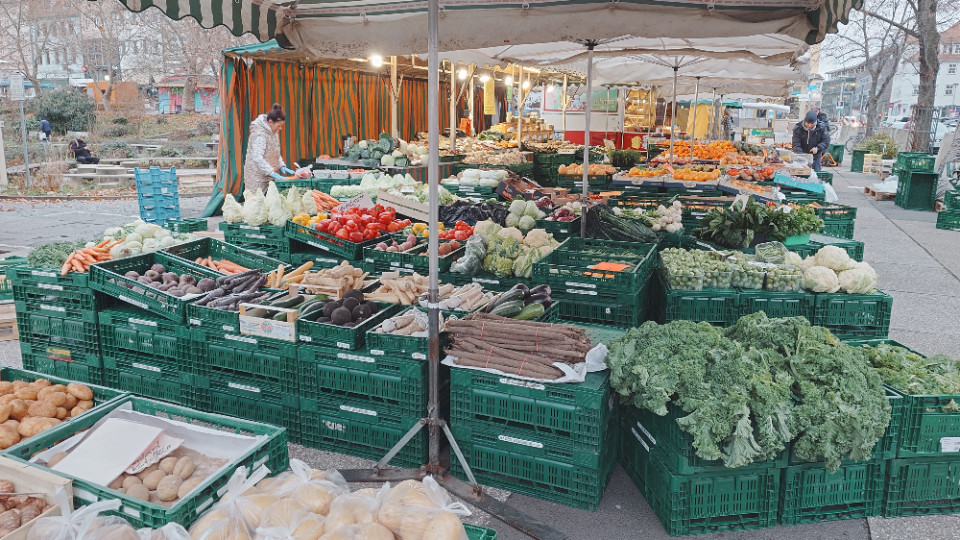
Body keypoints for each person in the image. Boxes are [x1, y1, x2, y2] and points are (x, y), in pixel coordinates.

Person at [243, 103, 294, 194]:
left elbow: (274, 151)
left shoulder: (273, 132)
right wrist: (271, 172)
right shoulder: (260, 134)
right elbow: (257, 157)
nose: (280, 128)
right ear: (270, 122)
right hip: (256, 176)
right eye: (278, 126)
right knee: (256, 201)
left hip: (268, 174)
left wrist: (281, 165)